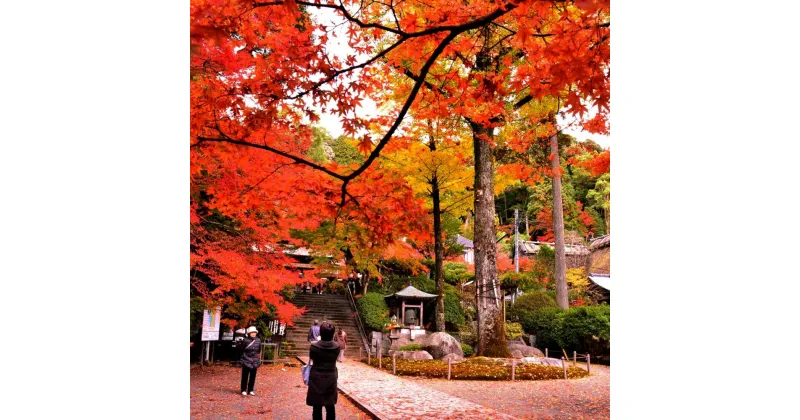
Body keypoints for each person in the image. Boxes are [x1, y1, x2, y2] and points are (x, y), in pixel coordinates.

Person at [307, 321, 340, 420]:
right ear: (333, 333)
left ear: (320, 333)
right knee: (330, 406)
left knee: (317, 406)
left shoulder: (314, 347)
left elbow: (312, 358)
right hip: (331, 377)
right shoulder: (336, 347)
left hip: (316, 377)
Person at [237, 326, 261, 396]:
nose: (253, 334)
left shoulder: (258, 340)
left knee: (253, 376)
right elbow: (242, 350)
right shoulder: (245, 340)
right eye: (252, 332)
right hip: (246, 359)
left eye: (254, 332)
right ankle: (243, 390)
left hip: (255, 360)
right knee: (245, 375)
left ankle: (251, 389)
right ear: (249, 333)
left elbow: (259, 350)